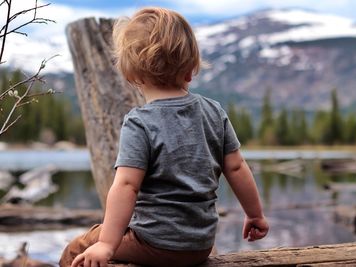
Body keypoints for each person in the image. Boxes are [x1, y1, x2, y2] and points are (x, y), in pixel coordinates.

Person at [60, 7, 269, 267]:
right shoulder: (214, 111)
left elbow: (127, 185)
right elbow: (237, 167)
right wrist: (255, 214)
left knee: (77, 248)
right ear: (191, 70)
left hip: (155, 244)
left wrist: (106, 244)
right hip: (200, 246)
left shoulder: (140, 122)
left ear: (130, 74)